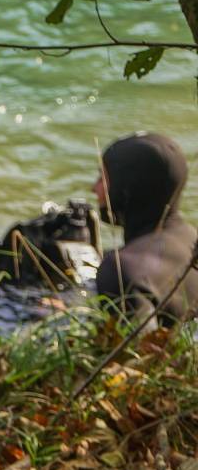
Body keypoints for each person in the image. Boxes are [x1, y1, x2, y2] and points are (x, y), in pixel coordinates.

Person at [94, 131, 197, 328]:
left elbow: (137, 355)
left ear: (127, 186)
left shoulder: (122, 270)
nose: (95, 188)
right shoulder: (192, 241)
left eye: (103, 177)